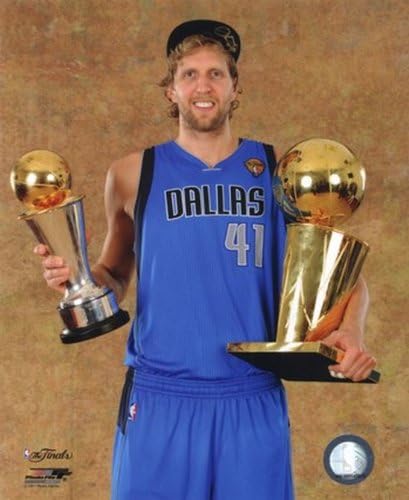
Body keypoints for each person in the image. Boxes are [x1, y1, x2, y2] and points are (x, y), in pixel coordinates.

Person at [34, 19, 377, 500]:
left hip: (250, 397)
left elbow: (342, 274)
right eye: (189, 74)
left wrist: (352, 332)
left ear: (235, 87)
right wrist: (80, 281)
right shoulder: (132, 174)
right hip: (161, 398)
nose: (203, 86)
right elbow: (114, 274)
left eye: (216, 74)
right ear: (171, 89)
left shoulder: (280, 172)